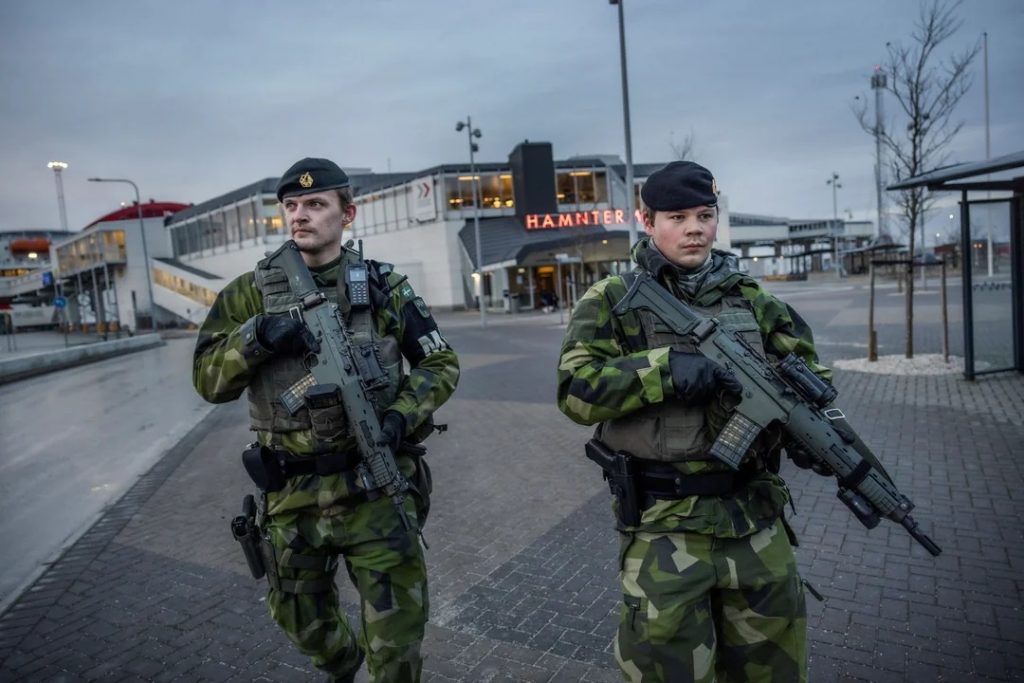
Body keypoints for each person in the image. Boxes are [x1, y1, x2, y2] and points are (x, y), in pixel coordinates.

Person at [556, 161, 831, 682]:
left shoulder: (754, 300)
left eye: (705, 215)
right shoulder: (612, 300)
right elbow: (574, 392)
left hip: (756, 524)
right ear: (647, 221)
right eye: (678, 217)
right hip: (665, 532)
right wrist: (662, 371)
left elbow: (808, 373)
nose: (694, 229)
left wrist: (807, 431)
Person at [193, 157, 459, 682]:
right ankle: (345, 662)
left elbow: (440, 363)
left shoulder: (383, 285)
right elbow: (207, 381)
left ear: (347, 213)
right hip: (292, 498)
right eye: (291, 205)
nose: (300, 215)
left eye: (315, 204)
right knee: (307, 629)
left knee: (398, 648)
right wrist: (256, 337)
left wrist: (400, 418)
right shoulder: (249, 294)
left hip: (375, 491)